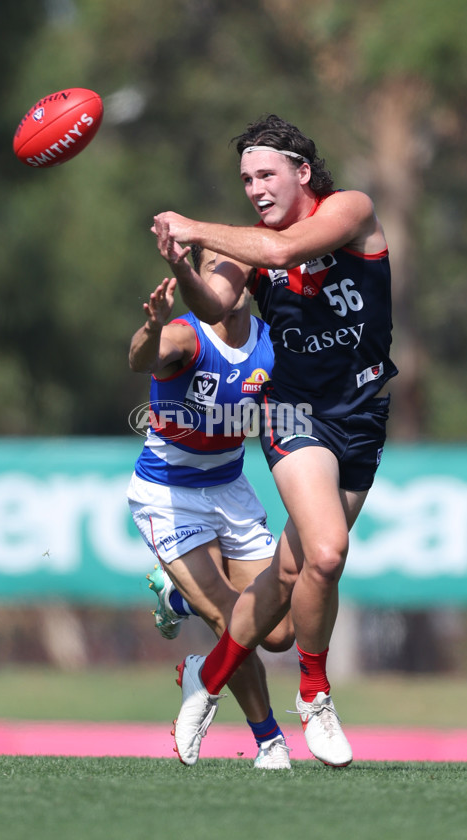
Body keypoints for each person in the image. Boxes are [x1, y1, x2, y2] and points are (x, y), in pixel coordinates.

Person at [151, 114, 398, 767]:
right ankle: (315, 697)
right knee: (325, 553)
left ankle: (207, 680)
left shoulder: (352, 210)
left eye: (266, 174)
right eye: (246, 179)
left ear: (303, 172)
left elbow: (287, 251)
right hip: (293, 413)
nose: (255, 188)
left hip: (363, 414)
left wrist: (196, 226)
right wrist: (187, 267)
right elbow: (214, 307)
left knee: (291, 577)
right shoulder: (243, 244)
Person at [126, 244, 295, 769]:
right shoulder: (183, 335)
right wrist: (151, 327)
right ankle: (269, 741)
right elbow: (140, 358)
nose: (223, 277)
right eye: (211, 269)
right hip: (169, 494)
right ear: (198, 281)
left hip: (230, 487)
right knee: (231, 620)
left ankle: (176, 599)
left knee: (279, 632)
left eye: (234, 267)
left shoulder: (271, 344)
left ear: (250, 277)